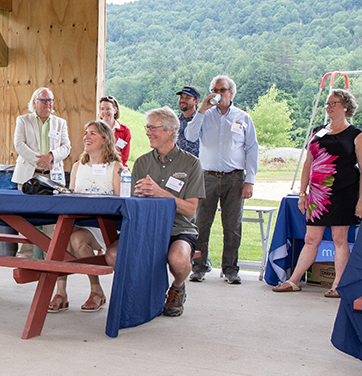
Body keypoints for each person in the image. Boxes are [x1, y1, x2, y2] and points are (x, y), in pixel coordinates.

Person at [273, 89, 362, 297]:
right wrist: (303, 192)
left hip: (344, 193)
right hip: (317, 195)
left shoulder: (356, 134)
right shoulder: (318, 131)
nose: (329, 107)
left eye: (333, 103)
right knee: (311, 238)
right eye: (327, 103)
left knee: (339, 238)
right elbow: (308, 163)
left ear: (345, 106)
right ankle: (293, 281)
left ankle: (338, 284)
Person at [121, 108, 205, 317]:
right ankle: (144, 293)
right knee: (114, 255)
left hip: (179, 228)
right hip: (148, 227)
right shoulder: (142, 163)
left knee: (178, 259)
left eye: (153, 128)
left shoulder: (191, 164)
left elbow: (190, 210)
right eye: (147, 127)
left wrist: (161, 193)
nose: (147, 132)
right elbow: (134, 203)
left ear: (170, 130)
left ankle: (177, 287)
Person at [183, 75, 258, 284]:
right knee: (201, 223)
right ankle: (199, 267)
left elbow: (252, 149)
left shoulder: (243, 117)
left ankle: (231, 269)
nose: (218, 94)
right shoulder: (204, 115)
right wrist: (201, 110)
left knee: (232, 225)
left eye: (222, 90)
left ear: (231, 93)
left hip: (234, 178)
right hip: (207, 176)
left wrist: (250, 180)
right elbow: (190, 136)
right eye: (214, 90)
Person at [47, 121, 123, 313]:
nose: (86, 137)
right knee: (61, 234)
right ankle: (60, 292)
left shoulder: (116, 167)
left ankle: (96, 290)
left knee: (76, 238)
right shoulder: (77, 166)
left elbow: (120, 202)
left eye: (93, 133)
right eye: (86, 133)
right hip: (80, 222)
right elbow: (71, 198)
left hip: (104, 226)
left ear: (105, 139)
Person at [12, 87, 72, 258]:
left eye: (51, 100)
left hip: (53, 177)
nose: (48, 104)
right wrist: (40, 160)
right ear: (34, 102)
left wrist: (51, 157)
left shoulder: (60, 123)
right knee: (26, 221)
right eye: (44, 100)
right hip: (28, 176)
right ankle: (24, 259)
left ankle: (50, 259)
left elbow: (66, 147)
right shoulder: (23, 120)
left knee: (52, 222)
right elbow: (19, 144)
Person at [98, 95, 132, 167]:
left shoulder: (124, 131)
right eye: (102, 109)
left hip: (118, 167)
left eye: (108, 108)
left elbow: (124, 156)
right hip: (99, 167)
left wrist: (114, 168)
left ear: (115, 110)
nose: (105, 112)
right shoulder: (94, 129)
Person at [175, 86, 201, 158]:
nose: (183, 100)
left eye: (187, 98)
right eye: (181, 97)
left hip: (198, 162)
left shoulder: (202, 120)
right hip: (178, 162)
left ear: (196, 101)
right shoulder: (175, 121)